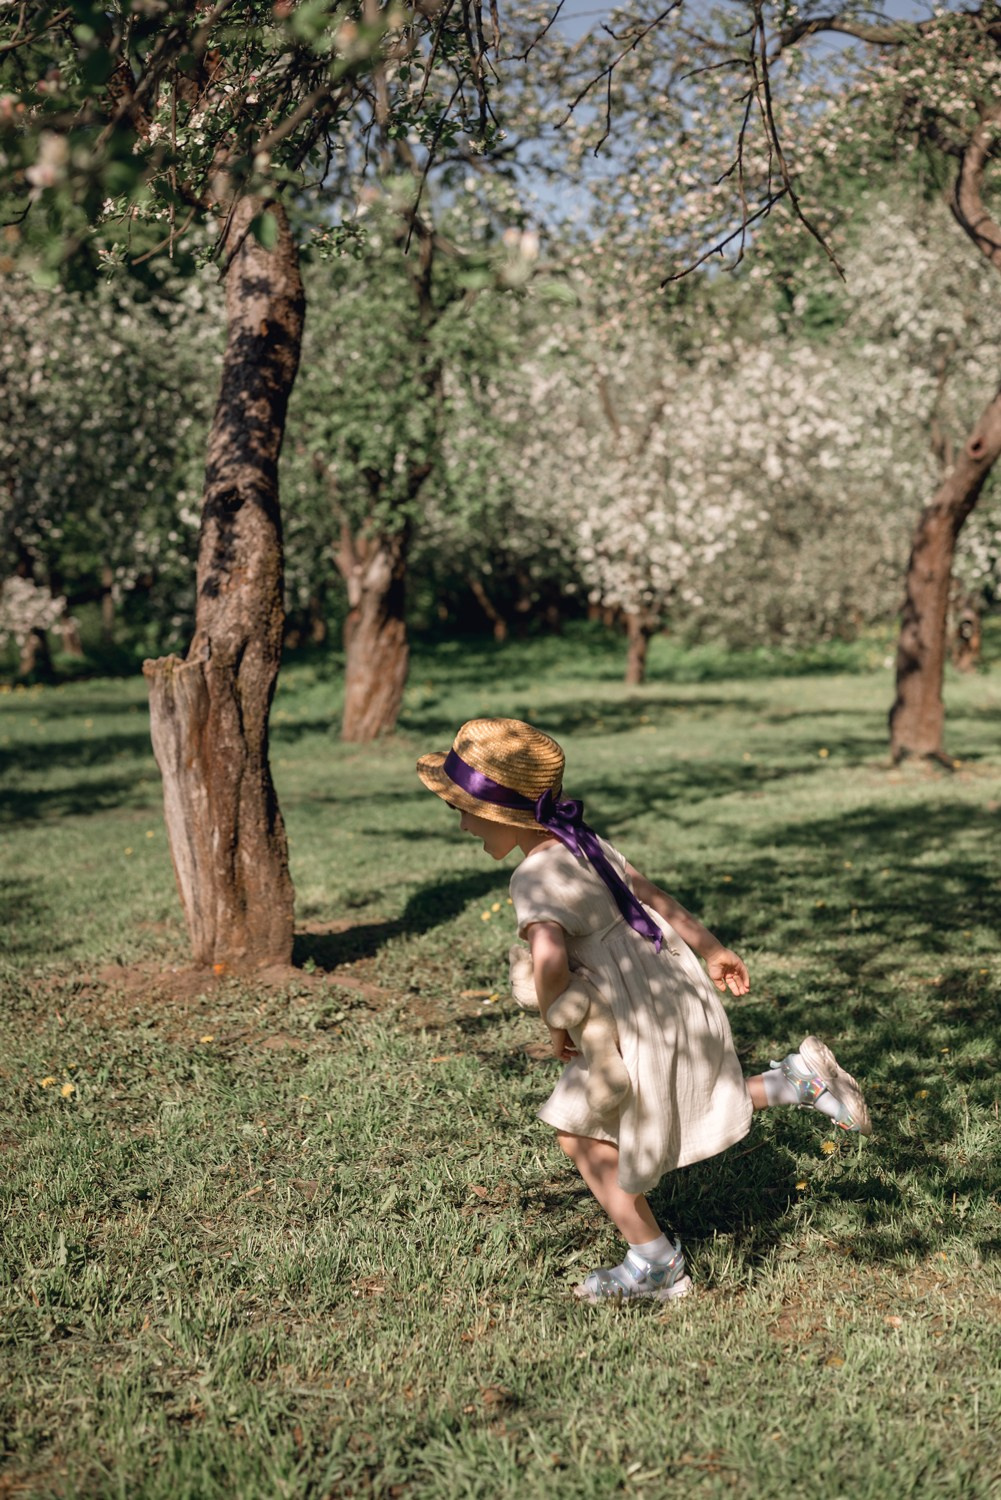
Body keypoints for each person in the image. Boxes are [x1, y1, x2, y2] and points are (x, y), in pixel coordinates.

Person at [417, 717, 871, 1304]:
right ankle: (794, 1082)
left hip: (627, 1016)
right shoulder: (582, 840)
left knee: (579, 1130)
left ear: (502, 814)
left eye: (465, 809)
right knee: (677, 1093)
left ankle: (655, 1264)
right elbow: (650, 894)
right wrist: (711, 948)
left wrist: (557, 1020)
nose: (460, 821)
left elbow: (549, 960)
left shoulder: (532, 876)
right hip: (671, 990)